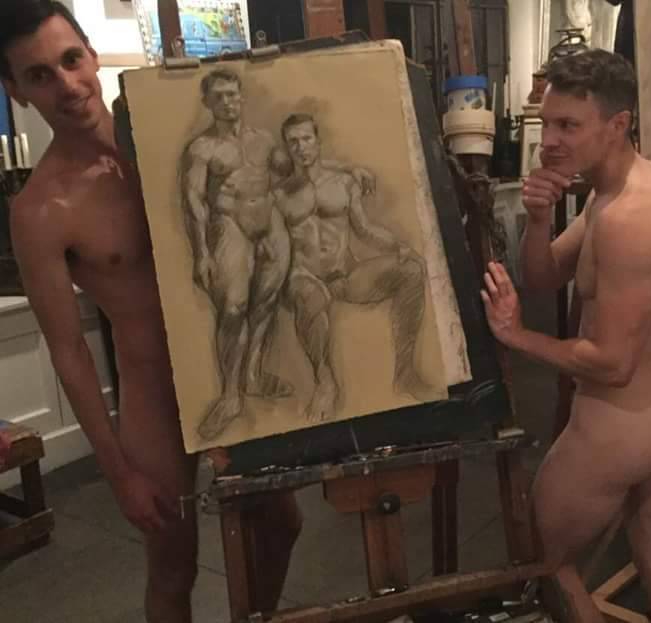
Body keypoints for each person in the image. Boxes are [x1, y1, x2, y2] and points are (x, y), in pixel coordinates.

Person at [0, 1, 300, 618]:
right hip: (154, 395)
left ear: (92, 55)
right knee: (172, 566)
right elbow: (69, 351)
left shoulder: (170, 139)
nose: (66, 85)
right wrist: (119, 474)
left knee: (281, 524)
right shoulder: (41, 210)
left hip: (233, 363)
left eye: (71, 60)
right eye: (39, 76)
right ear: (16, 92)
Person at [481, 49, 651, 623]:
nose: (549, 142)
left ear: (618, 124)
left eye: (568, 126)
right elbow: (544, 276)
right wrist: (539, 221)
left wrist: (518, 336)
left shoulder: (627, 219)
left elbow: (612, 363)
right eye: (546, 124)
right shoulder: (624, 189)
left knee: (547, 565)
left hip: (621, 426)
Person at [182, 69, 375, 440]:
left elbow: (306, 166)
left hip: (269, 224)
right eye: (219, 96)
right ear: (207, 102)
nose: (227, 102)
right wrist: (201, 252)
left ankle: (253, 375)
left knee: (265, 303)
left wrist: (349, 168)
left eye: (232, 94)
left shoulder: (264, 141)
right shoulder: (202, 149)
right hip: (230, 224)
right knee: (234, 307)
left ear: (242, 97)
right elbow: (193, 201)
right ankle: (230, 395)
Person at [274, 113, 438, 422]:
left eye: (306, 138)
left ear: (318, 141)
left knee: (411, 271)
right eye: (293, 141)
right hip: (302, 278)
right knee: (311, 294)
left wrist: (398, 247)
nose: (301, 147)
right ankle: (325, 381)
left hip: (344, 274)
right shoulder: (280, 195)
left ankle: (406, 373)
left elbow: (364, 228)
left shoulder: (344, 183)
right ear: (286, 147)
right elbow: (275, 248)